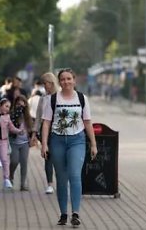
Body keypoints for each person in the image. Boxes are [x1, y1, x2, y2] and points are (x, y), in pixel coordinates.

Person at [40, 68, 97, 227]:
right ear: (59, 82)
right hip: (57, 141)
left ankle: (76, 213)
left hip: (77, 140)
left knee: (74, 175)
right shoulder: (52, 99)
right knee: (62, 178)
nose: (66, 82)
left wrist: (93, 143)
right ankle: (64, 213)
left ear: (74, 80)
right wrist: (44, 144)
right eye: (63, 79)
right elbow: (46, 122)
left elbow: (87, 122)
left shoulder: (82, 98)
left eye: (69, 79)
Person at [32, 72, 59, 194]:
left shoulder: (60, 96)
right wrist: (34, 133)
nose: (44, 86)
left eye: (46, 83)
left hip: (59, 130)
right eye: (43, 84)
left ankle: (61, 182)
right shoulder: (43, 99)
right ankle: (49, 184)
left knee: (59, 158)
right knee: (48, 157)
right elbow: (38, 117)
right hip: (45, 130)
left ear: (52, 83)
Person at [9, 95, 34, 191]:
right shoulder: (12, 115)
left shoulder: (28, 116)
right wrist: (17, 115)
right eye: (18, 104)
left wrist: (32, 138)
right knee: (14, 161)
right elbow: (10, 127)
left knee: (24, 163)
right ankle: (10, 175)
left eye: (22, 103)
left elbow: (31, 128)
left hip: (24, 143)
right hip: (14, 142)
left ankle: (23, 184)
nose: (20, 106)